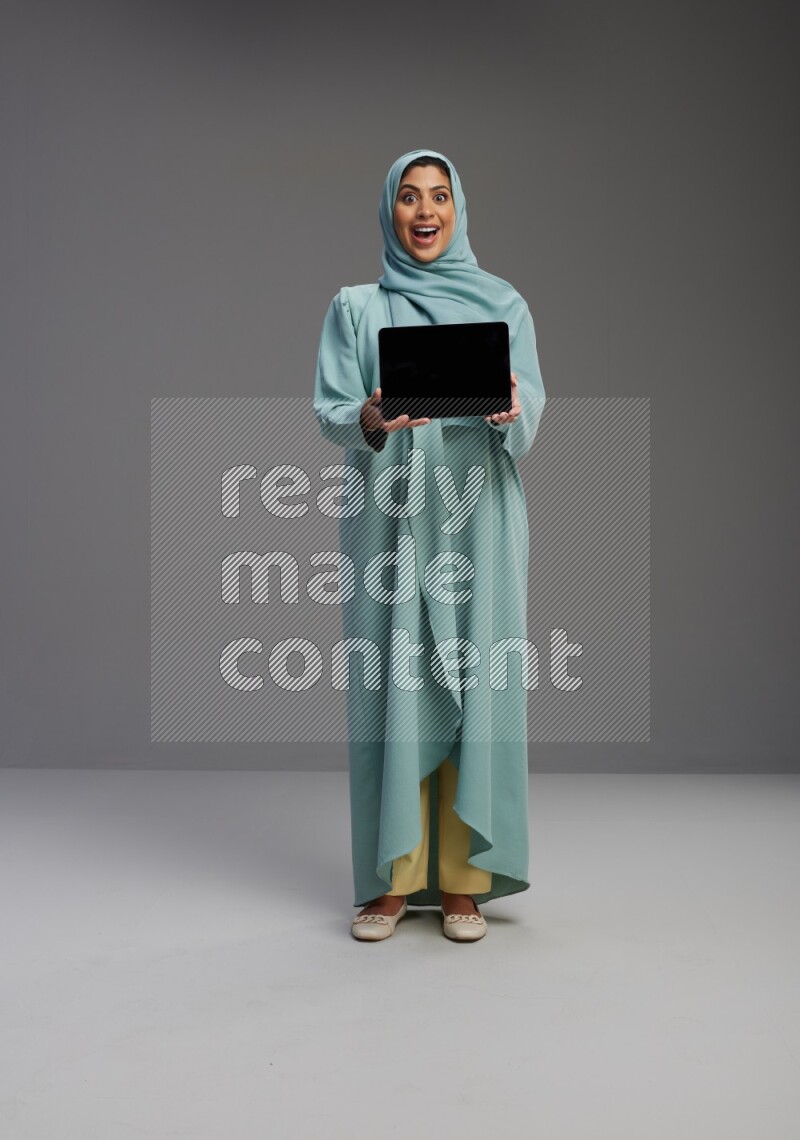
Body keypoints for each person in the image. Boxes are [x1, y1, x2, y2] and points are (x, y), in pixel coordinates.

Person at [313, 148, 546, 942]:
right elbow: (333, 410)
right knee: (393, 686)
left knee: (476, 683)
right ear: (389, 210)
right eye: (409, 197)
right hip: (390, 514)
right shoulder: (355, 308)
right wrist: (372, 417)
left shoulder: (502, 302)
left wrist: (515, 411)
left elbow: (533, 405)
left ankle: (461, 882)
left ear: (458, 208)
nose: (424, 211)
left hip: (479, 516)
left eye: (439, 196)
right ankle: (389, 878)